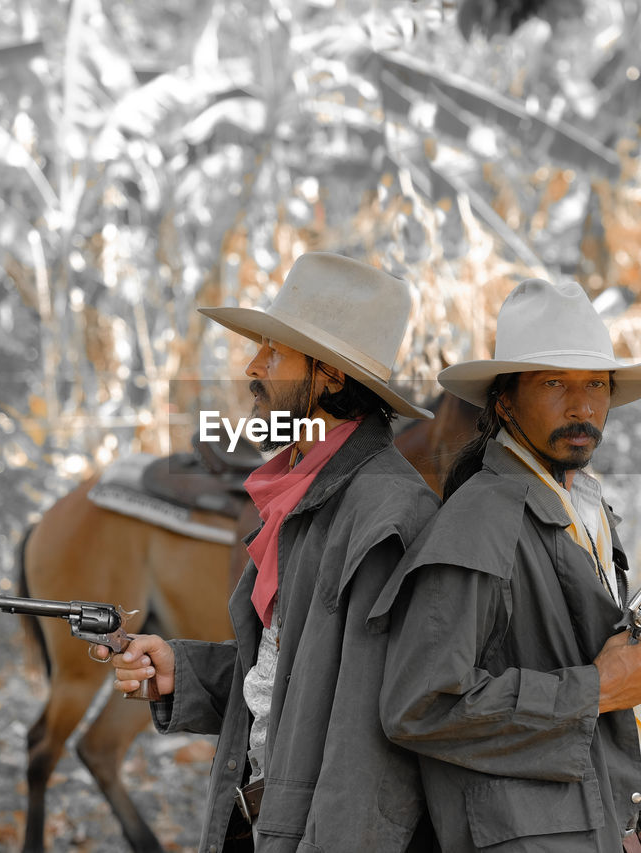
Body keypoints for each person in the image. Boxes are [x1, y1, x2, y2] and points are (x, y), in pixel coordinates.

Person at [98, 252, 441, 852]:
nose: (252, 367)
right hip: (259, 819)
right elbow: (294, 681)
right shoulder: (309, 488)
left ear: (330, 376)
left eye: (274, 353)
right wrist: (186, 674)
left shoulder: (386, 515)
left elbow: (368, 749)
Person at [372, 278, 641, 853]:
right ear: (504, 401)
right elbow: (420, 705)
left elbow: (568, 691)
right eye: (553, 383)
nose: (581, 405)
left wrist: (630, 820)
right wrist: (597, 689)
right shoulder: (481, 519)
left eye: (596, 383)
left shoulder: (586, 509)